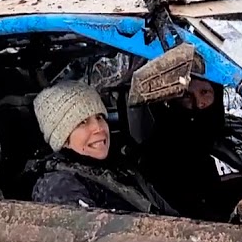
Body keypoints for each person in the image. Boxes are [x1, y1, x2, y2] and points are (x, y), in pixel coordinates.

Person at [138, 77, 242, 222]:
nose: (199, 103)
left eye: (205, 92)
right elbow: (189, 215)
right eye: (187, 96)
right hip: (241, 239)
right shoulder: (164, 151)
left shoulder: (241, 129)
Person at [17, 80, 177, 216]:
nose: (99, 128)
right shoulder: (59, 187)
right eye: (82, 122)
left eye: (99, 117)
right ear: (63, 139)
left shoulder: (117, 167)